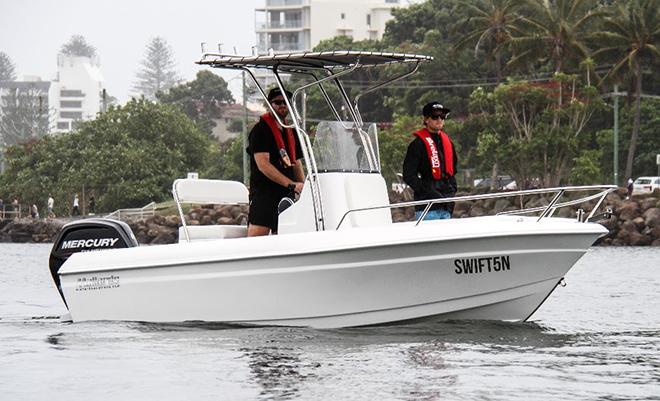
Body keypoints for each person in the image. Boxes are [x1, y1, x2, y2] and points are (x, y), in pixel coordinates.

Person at [246, 88, 305, 236]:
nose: (282, 105)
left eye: (286, 102)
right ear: (269, 104)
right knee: (259, 233)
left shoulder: (290, 131)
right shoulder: (260, 130)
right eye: (277, 102)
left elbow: (296, 162)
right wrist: (291, 184)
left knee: (285, 233)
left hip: (286, 194)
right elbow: (263, 165)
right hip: (264, 193)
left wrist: (304, 186)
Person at [403, 101, 457, 221]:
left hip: (446, 206)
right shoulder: (417, 145)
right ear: (426, 119)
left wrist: (452, 192)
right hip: (427, 208)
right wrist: (429, 192)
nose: (439, 120)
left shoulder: (448, 143)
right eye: (435, 116)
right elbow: (408, 175)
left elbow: (453, 171)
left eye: (442, 116)